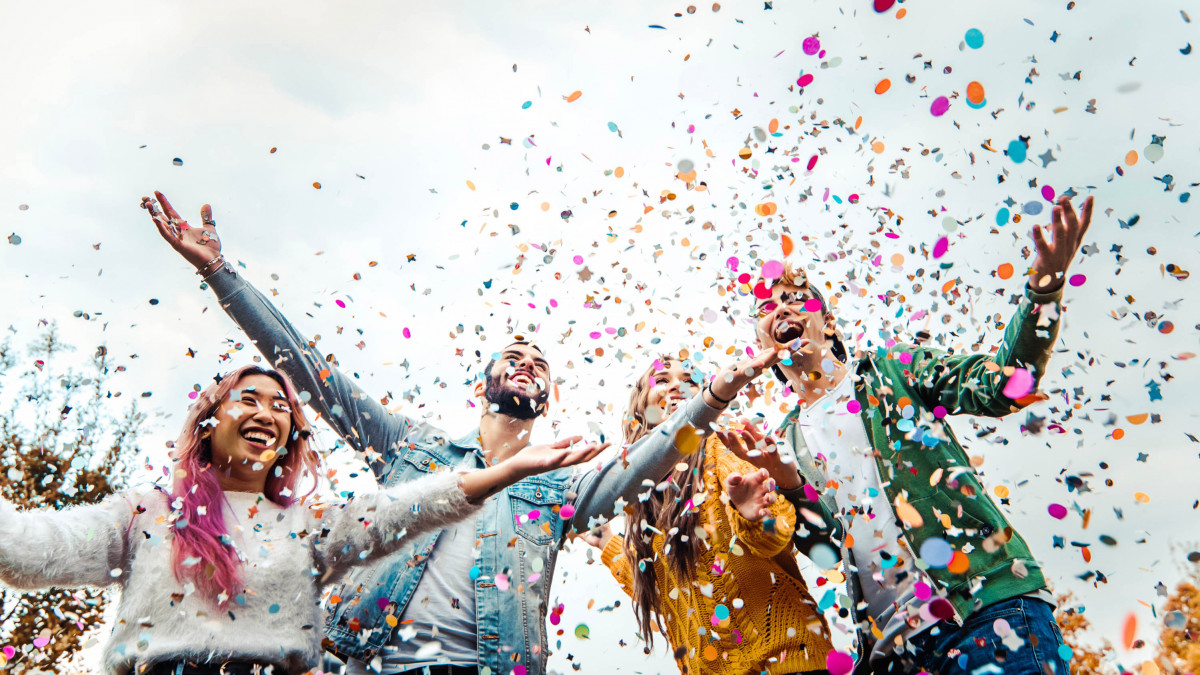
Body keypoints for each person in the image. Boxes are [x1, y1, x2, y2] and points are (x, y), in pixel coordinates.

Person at [141, 191, 780, 675]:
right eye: (514, 355)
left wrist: (715, 393)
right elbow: (312, 373)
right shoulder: (408, 448)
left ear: (547, 397)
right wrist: (221, 273)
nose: (527, 361)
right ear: (486, 384)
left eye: (540, 363)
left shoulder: (557, 488)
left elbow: (643, 464)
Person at [0, 364, 603, 675]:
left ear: (291, 436)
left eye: (282, 406)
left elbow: (403, 512)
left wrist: (506, 472)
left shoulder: (308, 525)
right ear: (209, 420)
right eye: (249, 399)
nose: (268, 413)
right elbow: (25, 551)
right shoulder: (141, 516)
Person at [730, 196, 1095, 674]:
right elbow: (826, 550)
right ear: (761, 343)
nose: (781, 307)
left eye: (796, 297)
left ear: (829, 322)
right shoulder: (787, 442)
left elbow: (1005, 385)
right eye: (766, 306)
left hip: (987, 615)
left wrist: (1042, 291)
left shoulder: (895, 372)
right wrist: (788, 482)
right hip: (896, 654)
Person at [582, 355, 835, 675]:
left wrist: (754, 517)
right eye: (662, 380)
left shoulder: (722, 447)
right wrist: (608, 542)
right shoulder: (639, 499)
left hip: (786, 660)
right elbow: (666, 592)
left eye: (688, 381)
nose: (676, 385)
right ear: (639, 406)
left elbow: (778, 534)